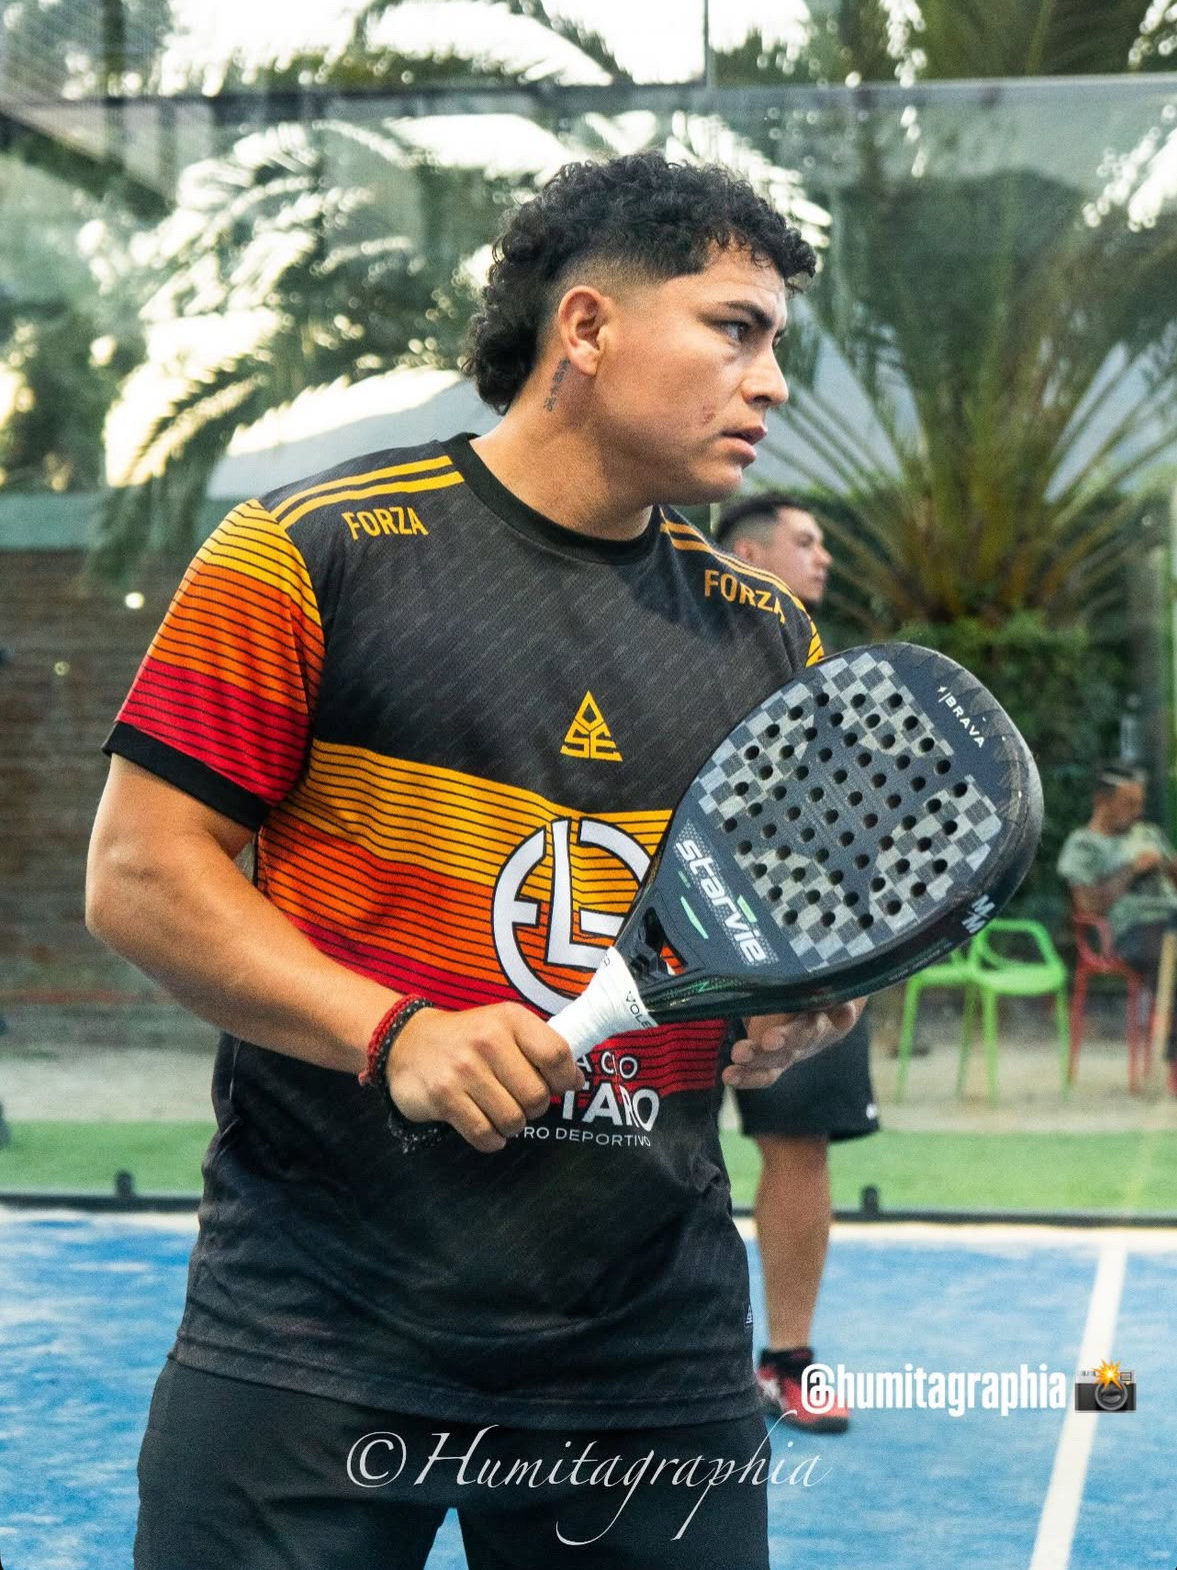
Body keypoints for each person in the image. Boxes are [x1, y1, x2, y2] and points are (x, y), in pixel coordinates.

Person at [86, 152, 863, 1570]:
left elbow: (780, 940)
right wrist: (393, 1032)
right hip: (310, 1331)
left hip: (644, 1349)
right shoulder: (306, 553)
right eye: (733, 329)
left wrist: (792, 1008)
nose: (769, 382)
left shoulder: (767, 637)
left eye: (773, 344)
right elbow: (141, 873)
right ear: (586, 327)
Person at [713, 494, 877, 1436]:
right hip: (664, 936)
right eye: (805, 541)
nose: (822, 557)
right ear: (747, 550)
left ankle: (787, 1357)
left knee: (798, 1141)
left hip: (799, 945)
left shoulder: (834, 677)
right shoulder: (668, 656)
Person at [1058, 763, 1177, 1070]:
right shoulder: (1083, 844)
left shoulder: (1148, 833)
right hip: (1127, 932)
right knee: (1171, 951)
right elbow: (1087, 907)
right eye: (1129, 804)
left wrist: (1170, 867)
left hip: (1171, 918)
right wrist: (1132, 869)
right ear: (1102, 801)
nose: (1138, 812)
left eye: (1140, 804)